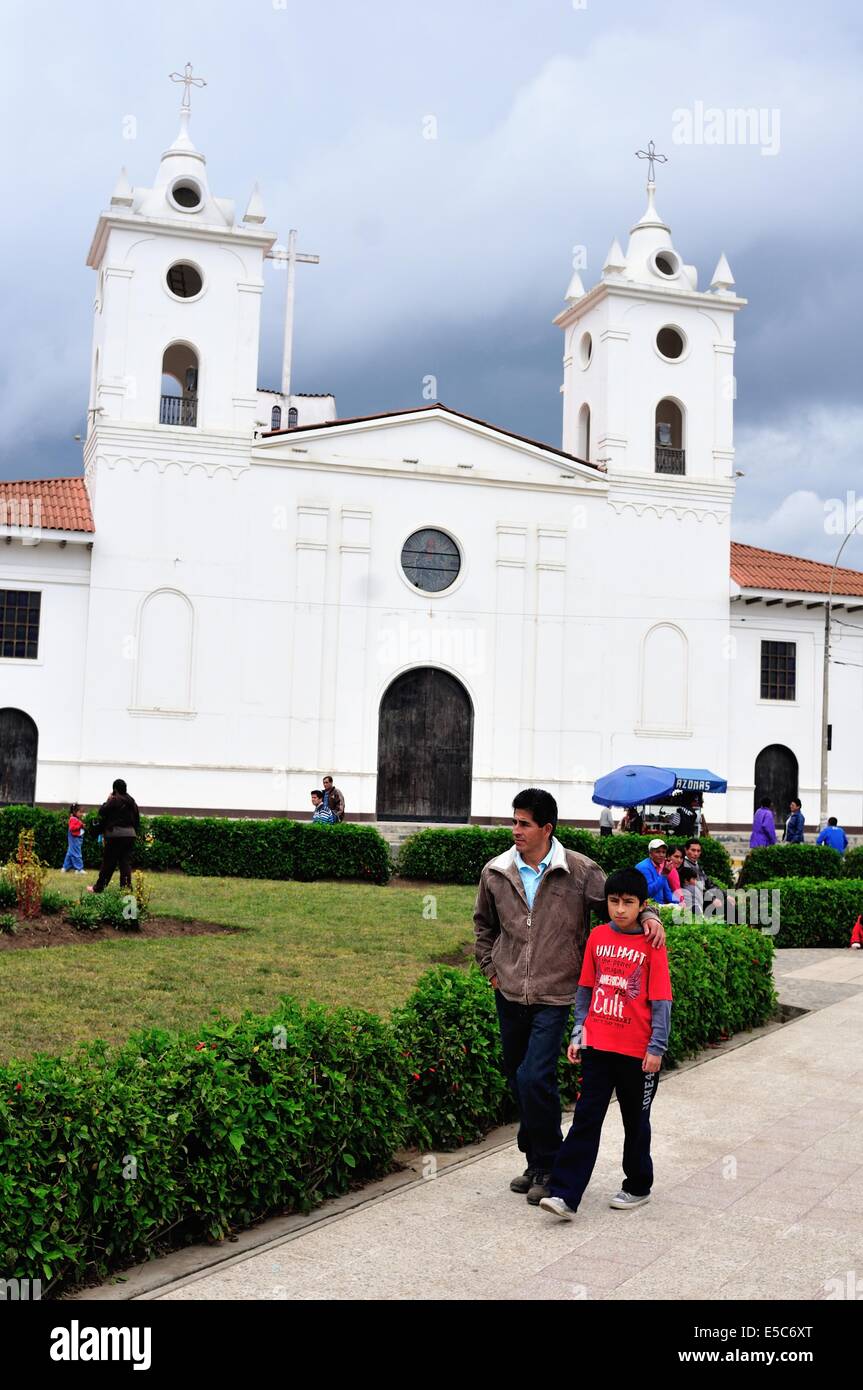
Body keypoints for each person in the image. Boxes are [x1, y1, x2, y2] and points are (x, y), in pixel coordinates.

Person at [473, 789, 665, 1207]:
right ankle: (536, 1158)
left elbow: (619, 900)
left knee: (534, 1076)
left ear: (547, 828)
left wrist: (649, 915)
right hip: (509, 993)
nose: (516, 830)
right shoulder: (496, 871)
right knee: (517, 1078)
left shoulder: (579, 871)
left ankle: (548, 1165)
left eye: (524, 823)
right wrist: (491, 971)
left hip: (557, 993)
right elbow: (483, 926)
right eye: (514, 821)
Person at [539, 866, 672, 1221]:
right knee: (585, 1118)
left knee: (636, 1120)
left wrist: (656, 1048)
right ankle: (565, 1194)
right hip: (598, 1045)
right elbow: (585, 989)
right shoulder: (598, 936)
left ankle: (639, 1184)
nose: (620, 910)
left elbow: (661, 999)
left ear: (642, 905)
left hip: (638, 1053)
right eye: (614, 901)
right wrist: (578, 1034)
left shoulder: (652, 942)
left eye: (629, 903)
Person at [89, 779, 140, 892]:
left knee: (108, 862)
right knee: (125, 863)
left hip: (114, 836)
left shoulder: (114, 800)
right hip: (130, 835)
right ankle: (126, 889)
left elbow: (102, 812)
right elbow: (137, 820)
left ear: (114, 789)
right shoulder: (132, 802)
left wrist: (107, 800)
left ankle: (99, 887)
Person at [682, 839, 724, 915]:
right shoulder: (684, 865)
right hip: (694, 899)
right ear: (686, 850)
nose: (696, 853)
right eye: (693, 850)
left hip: (704, 897)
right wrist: (713, 899)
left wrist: (725, 894)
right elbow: (698, 888)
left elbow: (709, 884)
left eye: (698, 851)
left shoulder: (697, 865)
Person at [634, 839, 677, 906]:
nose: (661, 855)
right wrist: (664, 874)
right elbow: (648, 893)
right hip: (647, 907)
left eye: (663, 852)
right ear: (650, 854)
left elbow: (667, 891)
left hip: (660, 906)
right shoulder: (643, 867)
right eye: (657, 852)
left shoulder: (661, 866)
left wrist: (679, 903)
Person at [61, 803, 86, 873]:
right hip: (75, 839)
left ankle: (65, 867)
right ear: (75, 812)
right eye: (80, 812)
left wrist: (82, 825)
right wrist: (80, 825)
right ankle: (79, 868)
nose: (81, 814)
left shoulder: (75, 819)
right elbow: (72, 828)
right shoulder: (73, 819)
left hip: (76, 839)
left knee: (70, 852)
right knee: (77, 853)